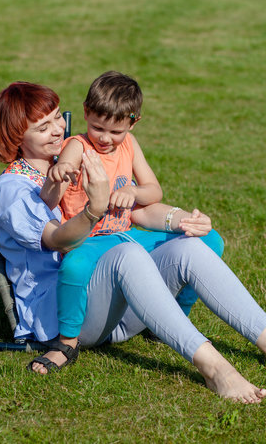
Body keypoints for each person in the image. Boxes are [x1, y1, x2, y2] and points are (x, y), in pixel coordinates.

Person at [0, 81, 266, 404]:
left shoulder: (75, 155)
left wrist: (181, 218)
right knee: (125, 251)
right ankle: (214, 368)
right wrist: (95, 209)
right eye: (42, 127)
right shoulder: (13, 188)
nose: (57, 129)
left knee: (189, 245)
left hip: (115, 305)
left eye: (56, 119)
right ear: (14, 135)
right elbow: (55, 240)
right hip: (66, 317)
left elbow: (136, 210)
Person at [42, 70, 221, 347]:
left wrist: (133, 190)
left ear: (133, 123)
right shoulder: (78, 146)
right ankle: (67, 340)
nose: (105, 138)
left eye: (116, 131)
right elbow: (56, 184)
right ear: (86, 112)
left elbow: (154, 191)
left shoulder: (129, 145)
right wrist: (62, 170)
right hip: (90, 241)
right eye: (98, 128)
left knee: (210, 240)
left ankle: (176, 317)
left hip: (127, 235)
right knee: (74, 266)